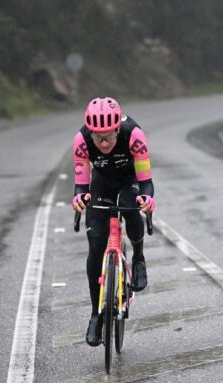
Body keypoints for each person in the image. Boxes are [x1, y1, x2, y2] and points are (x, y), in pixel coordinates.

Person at [72, 97, 155, 346]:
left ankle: (138, 257)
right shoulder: (82, 140)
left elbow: (146, 181)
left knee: (131, 210)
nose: (104, 143)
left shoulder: (134, 135)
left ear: (118, 128)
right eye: (98, 138)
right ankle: (96, 315)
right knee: (96, 244)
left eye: (108, 136)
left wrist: (147, 199)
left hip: (130, 177)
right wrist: (79, 199)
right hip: (102, 182)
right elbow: (81, 184)